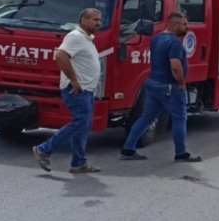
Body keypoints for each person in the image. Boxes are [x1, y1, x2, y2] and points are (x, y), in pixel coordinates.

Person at [120, 12, 201, 162]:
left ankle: (128, 148)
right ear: (174, 25)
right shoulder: (174, 43)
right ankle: (181, 153)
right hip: (170, 86)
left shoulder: (156, 38)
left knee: (146, 117)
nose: (187, 27)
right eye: (184, 24)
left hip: (153, 83)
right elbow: (175, 66)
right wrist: (181, 83)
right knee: (180, 118)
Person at [31, 9, 103, 174]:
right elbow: (60, 55)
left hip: (86, 90)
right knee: (80, 122)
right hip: (76, 90)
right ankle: (44, 149)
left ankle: (78, 163)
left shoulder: (87, 39)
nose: (98, 23)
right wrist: (74, 80)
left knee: (84, 125)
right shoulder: (75, 37)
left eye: (99, 20)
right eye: (94, 20)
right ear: (83, 20)